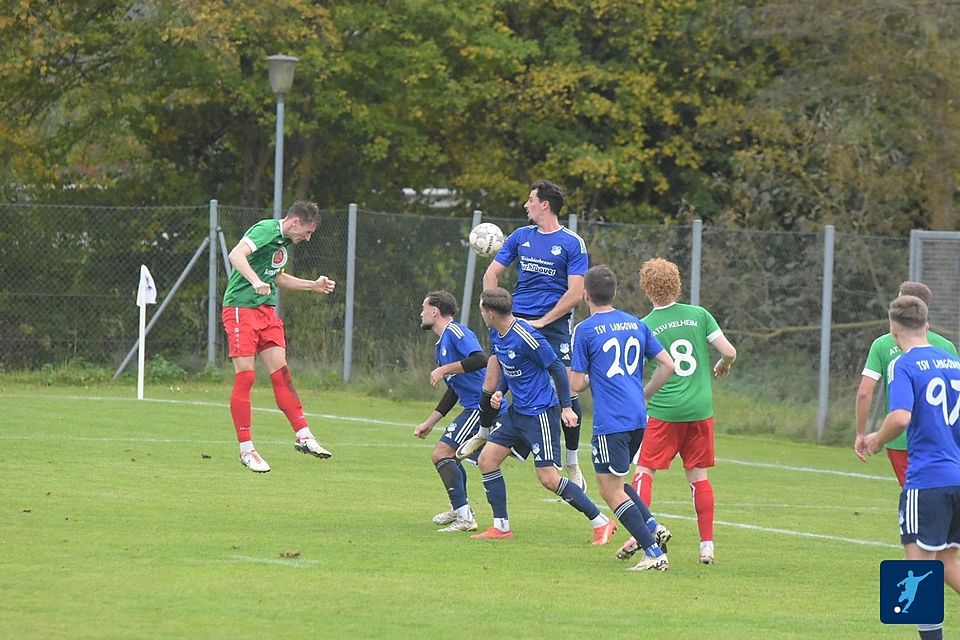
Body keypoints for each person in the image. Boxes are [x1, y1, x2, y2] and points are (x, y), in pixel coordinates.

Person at [462, 180, 589, 491]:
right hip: (514, 325)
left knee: (569, 388)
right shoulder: (521, 237)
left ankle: (571, 460)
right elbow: (491, 274)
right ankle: (483, 431)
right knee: (492, 381)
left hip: (554, 326)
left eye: (531, 200)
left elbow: (576, 293)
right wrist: (497, 313)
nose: (526, 205)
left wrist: (543, 321)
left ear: (545, 204)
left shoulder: (572, 243)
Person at [469, 287, 616, 544]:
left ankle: (601, 522)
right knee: (487, 460)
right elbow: (511, 366)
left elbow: (557, 368)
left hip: (540, 414)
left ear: (490, 313)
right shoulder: (497, 334)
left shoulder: (527, 336)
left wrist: (567, 407)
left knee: (548, 479)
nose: (481, 314)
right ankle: (501, 526)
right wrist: (501, 392)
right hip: (517, 413)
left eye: (482, 310)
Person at [625, 257, 737, 565]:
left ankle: (640, 535)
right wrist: (723, 365)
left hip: (665, 410)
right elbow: (729, 352)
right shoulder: (699, 315)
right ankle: (707, 546)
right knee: (698, 477)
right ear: (677, 283)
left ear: (647, 288)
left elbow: (638, 370)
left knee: (644, 470)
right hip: (701, 409)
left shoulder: (644, 325)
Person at [568, 265, 677, 571]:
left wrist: (590, 377)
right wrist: (644, 394)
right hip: (637, 417)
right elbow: (667, 365)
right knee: (619, 483)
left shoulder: (585, 330)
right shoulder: (635, 323)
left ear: (585, 295)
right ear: (614, 293)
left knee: (609, 490)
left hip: (611, 420)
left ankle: (653, 553)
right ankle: (653, 526)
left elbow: (576, 384)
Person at [865, 294, 960, 640]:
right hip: (957, 477)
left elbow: (901, 416)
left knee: (917, 570)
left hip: (927, 480)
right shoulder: (953, 363)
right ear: (927, 325)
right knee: (948, 562)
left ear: (893, 329)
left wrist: (875, 440)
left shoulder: (902, 365)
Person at [221, 201, 336, 473]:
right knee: (247, 376)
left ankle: (304, 435)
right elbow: (236, 255)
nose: (307, 238)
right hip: (241, 307)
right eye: (307, 232)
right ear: (294, 222)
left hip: (266, 311)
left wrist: (312, 285)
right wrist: (254, 281)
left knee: (281, 374)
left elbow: (276, 278)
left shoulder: (284, 244)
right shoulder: (266, 229)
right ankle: (247, 450)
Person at [854, 281, 959, 486]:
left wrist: (861, 432)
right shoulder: (946, 347)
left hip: (899, 437)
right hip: (944, 437)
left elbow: (865, 392)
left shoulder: (883, 345)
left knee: (918, 494)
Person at [413, 290, 494, 533]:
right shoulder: (442, 345)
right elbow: (454, 391)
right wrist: (430, 421)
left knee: (442, 454)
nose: (421, 313)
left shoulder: (456, 332)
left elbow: (481, 359)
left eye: (424, 308)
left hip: (481, 407)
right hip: (471, 406)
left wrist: (444, 369)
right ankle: (460, 508)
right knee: (450, 457)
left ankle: (465, 516)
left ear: (434, 311)